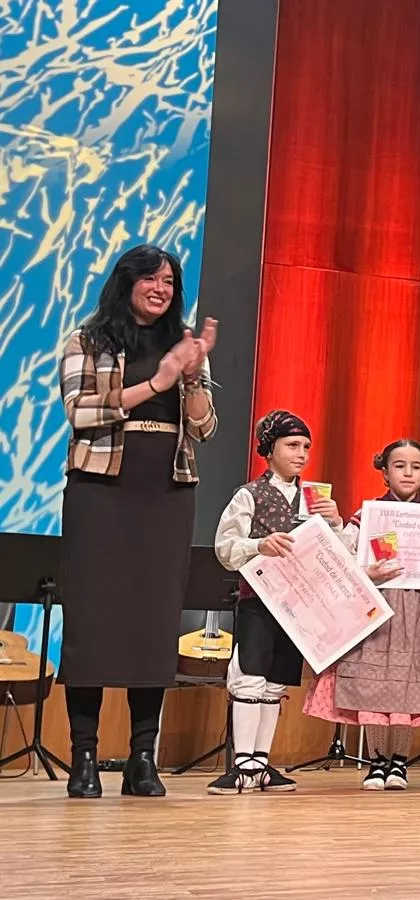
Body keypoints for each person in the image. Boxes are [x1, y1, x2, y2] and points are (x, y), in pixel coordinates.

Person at [57, 244, 217, 799]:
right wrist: (159, 380)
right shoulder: (88, 339)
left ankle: (142, 760)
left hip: (166, 495)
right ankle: (83, 757)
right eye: (150, 278)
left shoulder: (185, 345)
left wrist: (191, 376)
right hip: (101, 491)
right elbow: (80, 410)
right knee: (93, 622)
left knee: (152, 626)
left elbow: (203, 429)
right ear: (126, 282)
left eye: (170, 281)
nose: (161, 288)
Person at [302, 439, 420, 791]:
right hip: (382, 607)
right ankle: (377, 762)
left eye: (415, 466)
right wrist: (367, 571)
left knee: (408, 683)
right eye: (399, 465)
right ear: (385, 472)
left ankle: (400, 763)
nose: (408, 472)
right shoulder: (369, 516)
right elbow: (345, 558)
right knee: (378, 683)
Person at [212, 410, 336, 794]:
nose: (301, 454)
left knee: (275, 682)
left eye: (306, 447)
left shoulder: (315, 497)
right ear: (270, 449)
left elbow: (336, 554)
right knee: (250, 675)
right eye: (292, 445)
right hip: (258, 600)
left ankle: (261, 762)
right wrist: (258, 545)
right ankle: (242, 762)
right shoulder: (249, 494)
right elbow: (225, 547)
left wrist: (334, 522)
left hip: (297, 606)